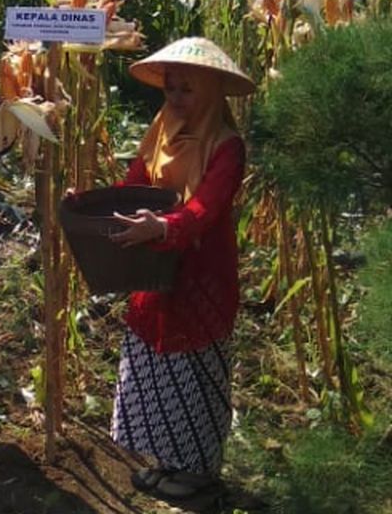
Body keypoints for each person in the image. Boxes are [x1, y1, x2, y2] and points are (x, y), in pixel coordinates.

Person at [106, 37, 253, 501]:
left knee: (194, 370)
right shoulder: (161, 131)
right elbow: (135, 183)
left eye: (187, 89)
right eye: (171, 88)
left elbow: (206, 209)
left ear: (210, 92)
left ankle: (198, 472)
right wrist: (98, 203)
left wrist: (165, 228)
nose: (176, 97)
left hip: (200, 274)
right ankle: (166, 460)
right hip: (154, 268)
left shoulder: (227, 146)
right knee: (154, 361)